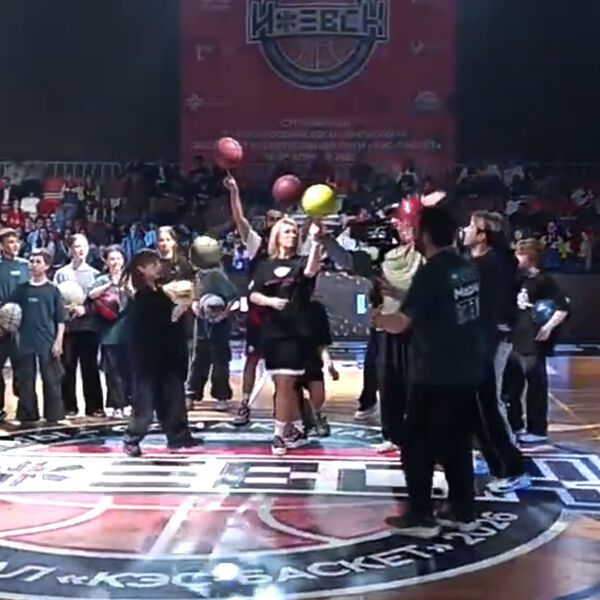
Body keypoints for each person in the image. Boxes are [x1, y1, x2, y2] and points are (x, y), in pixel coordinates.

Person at [374, 206, 484, 538]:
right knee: (457, 442)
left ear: (424, 235)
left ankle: (421, 516)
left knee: (416, 443)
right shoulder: (465, 268)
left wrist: (376, 319)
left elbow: (401, 323)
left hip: (435, 370)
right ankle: (463, 510)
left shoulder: (431, 272)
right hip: (467, 368)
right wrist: (401, 294)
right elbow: (442, 304)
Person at [462, 211, 530, 492]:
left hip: (489, 343)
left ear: (483, 235)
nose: (464, 229)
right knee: (475, 405)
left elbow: (492, 311)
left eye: (471, 226)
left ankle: (512, 468)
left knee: (488, 405)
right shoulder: (472, 261)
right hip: (475, 342)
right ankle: (492, 458)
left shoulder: (496, 265)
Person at [249, 217, 321, 456]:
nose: (292, 235)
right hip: (272, 332)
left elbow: (311, 270)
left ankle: (278, 434)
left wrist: (315, 241)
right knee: (284, 386)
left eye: (294, 232)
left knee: (285, 383)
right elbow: (253, 294)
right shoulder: (265, 265)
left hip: (296, 333)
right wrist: (270, 301)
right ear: (277, 236)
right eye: (287, 232)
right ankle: (294, 427)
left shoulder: (300, 263)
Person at [122, 249, 198, 457]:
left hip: (169, 353)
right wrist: (175, 314)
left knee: (173, 397)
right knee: (145, 401)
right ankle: (132, 438)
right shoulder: (140, 296)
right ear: (141, 268)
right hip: (148, 357)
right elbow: (149, 326)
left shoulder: (161, 291)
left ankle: (178, 436)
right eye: (153, 264)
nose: (158, 267)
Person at [224, 173, 282, 426]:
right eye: (270, 219)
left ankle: (291, 408)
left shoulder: (291, 246)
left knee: (285, 366)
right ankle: (244, 404)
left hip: (283, 314)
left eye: (278, 220)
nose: (274, 224)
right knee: (252, 359)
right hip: (260, 314)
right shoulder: (258, 243)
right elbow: (240, 220)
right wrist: (234, 192)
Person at [507, 239, 569, 442]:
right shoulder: (517, 278)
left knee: (535, 387)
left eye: (520, 254)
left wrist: (548, 327)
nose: (517, 257)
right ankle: (515, 425)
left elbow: (562, 308)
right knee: (511, 387)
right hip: (516, 339)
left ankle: (537, 429)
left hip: (533, 341)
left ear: (530, 257)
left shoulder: (544, 280)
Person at [11, 248, 66, 424]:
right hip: (25, 341)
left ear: (47, 266)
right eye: (31, 261)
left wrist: (58, 341)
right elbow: (9, 310)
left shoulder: (53, 290)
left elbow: (60, 319)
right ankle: (28, 414)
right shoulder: (22, 289)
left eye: (37, 262)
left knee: (51, 380)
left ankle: (54, 415)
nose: (33, 265)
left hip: (47, 340)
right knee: (26, 380)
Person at [54, 234, 104, 417]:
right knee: (68, 368)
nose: (81, 249)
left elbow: (99, 302)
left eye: (84, 246)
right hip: (68, 328)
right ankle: (69, 406)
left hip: (89, 327)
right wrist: (65, 309)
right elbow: (55, 299)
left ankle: (95, 407)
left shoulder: (95, 274)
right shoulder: (61, 274)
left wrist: (86, 309)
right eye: (77, 246)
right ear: (70, 250)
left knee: (90, 367)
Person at [186, 236, 239, 409]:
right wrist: (195, 305)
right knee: (199, 357)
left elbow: (233, 298)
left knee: (219, 359)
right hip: (202, 321)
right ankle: (191, 393)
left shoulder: (217, 275)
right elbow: (195, 297)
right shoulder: (199, 275)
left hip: (218, 324)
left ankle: (221, 395)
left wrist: (223, 314)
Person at [88, 246, 132, 418]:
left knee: (128, 368)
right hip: (108, 331)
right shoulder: (101, 279)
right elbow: (91, 295)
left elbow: (136, 295)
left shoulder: (129, 278)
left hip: (127, 329)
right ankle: (113, 403)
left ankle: (127, 403)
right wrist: (109, 285)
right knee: (112, 370)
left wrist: (126, 286)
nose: (115, 262)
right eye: (112, 259)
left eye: (118, 258)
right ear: (106, 262)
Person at [297, 298, 339, 437]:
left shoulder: (317, 309)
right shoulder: (283, 307)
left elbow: (322, 342)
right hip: (289, 360)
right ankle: (300, 416)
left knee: (318, 393)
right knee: (289, 392)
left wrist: (328, 363)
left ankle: (316, 415)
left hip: (311, 360)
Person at [0, 228, 29, 421]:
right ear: (1, 246)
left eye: (17, 242)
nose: (15, 245)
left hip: (23, 326)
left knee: (24, 369)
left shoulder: (26, 265)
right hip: (1, 324)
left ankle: (26, 408)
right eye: (10, 242)